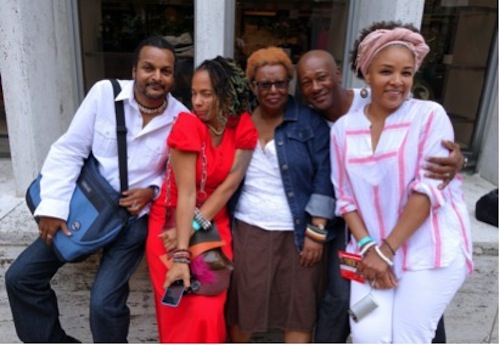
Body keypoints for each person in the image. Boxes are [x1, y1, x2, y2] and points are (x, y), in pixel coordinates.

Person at [4, 36, 188, 343]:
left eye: (165, 71)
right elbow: (70, 150)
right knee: (21, 278)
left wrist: (153, 191)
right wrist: (52, 206)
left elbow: (182, 177)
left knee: (104, 304)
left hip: (132, 222)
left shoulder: (181, 118)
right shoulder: (104, 94)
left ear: (173, 76)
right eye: (149, 68)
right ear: (134, 70)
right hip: (85, 209)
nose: (157, 76)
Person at [296, 49, 465, 342]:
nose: (315, 87)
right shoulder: (330, 125)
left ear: (340, 75)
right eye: (306, 82)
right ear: (367, 73)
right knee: (365, 329)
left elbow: (428, 188)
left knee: (411, 333)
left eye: (406, 72)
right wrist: (371, 250)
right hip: (364, 243)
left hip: (422, 249)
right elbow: (343, 194)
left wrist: (386, 252)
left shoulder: (425, 114)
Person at [226, 46, 335, 343]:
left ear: (289, 83)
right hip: (248, 229)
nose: (273, 90)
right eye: (265, 84)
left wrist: (317, 230)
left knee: (297, 307)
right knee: (243, 306)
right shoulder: (240, 122)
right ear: (252, 85)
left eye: (280, 83)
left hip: (298, 233)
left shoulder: (310, 123)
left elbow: (325, 176)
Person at [146, 56, 257, 343]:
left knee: (208, 312)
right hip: (169, 226)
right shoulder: (187, 125)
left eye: (206, 94)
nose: (197, 101)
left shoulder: (242, 127)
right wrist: (181, 254)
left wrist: (194, 229)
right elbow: (186, 194)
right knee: (180, 311)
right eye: (194, 93)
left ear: (227, 94)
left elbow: (228, 187)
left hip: (212, 227)